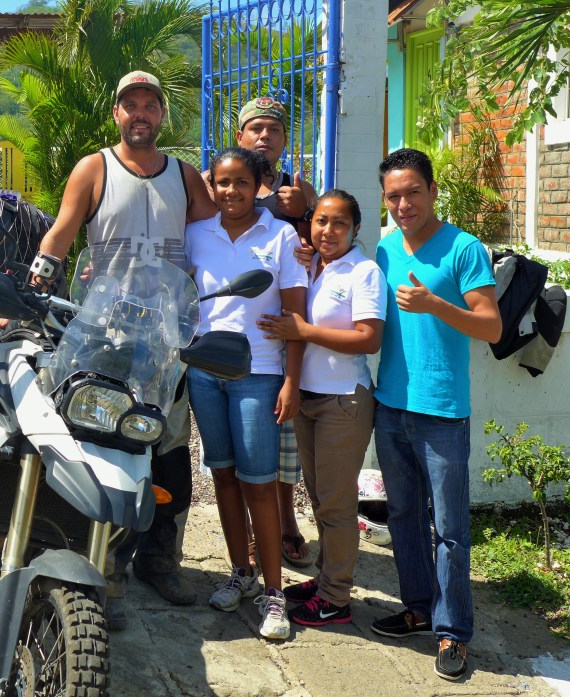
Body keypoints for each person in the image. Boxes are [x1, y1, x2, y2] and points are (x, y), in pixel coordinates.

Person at [33, 70, 217, 622]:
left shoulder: (185, 177)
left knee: (168, 454)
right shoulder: (96, 168)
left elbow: (220, 237)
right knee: (95, 446)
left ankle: (160, 561)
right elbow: (62, 233)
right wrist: (32, 288)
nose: (140, 113)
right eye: (129, 105)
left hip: (164, 339)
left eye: (150, 105)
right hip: (102, 332)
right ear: (116, 114)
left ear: (162, 115)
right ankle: (98, 569)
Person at [368, 148, 501, 681]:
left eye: (412, 193)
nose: (404, 204)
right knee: (401, 517)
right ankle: (419, 609)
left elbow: (490, 327)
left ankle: (453, 632)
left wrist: (435, 304)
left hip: (442, 412)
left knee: (449, 529)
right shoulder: (383, 249)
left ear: (432, 190)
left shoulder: (464, 249)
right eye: (394, 196)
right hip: (389, 405)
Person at [186, 146, 307, 640]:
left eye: (240, 182)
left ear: (259, 184)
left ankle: (275, 594)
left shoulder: (281, 236)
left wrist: (291, 381)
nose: (230, 191)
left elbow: (297, 319)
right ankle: (241, 572)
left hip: (258, 373)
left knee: (259, 481)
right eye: (221, 182)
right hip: (204, 372)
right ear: (210, 187)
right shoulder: (196, 234)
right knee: (223, 476)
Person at [258, 190, 386, 627]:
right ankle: (327, 577)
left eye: (339, 224)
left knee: (336, 504)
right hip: (310, 399)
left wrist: (304, 330)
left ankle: (335, 599)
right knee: (319, 498)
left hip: (342, 400)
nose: (328, 231)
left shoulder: (363, 271)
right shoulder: (311, 264)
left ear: (355, 230)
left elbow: (369, 338)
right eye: (321, 222)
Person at [205, 97, 318, 568]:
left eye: (274, 129)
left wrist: (307, 212)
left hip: (276, 344)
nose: (265, 136)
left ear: (285, 139)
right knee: (233, 465)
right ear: (240, 136)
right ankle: (248, 551)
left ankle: (285, 523)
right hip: (217, 355)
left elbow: (329, 239)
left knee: (278, 451)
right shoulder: (215, 201)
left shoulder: (297, 192)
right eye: (256, 128)